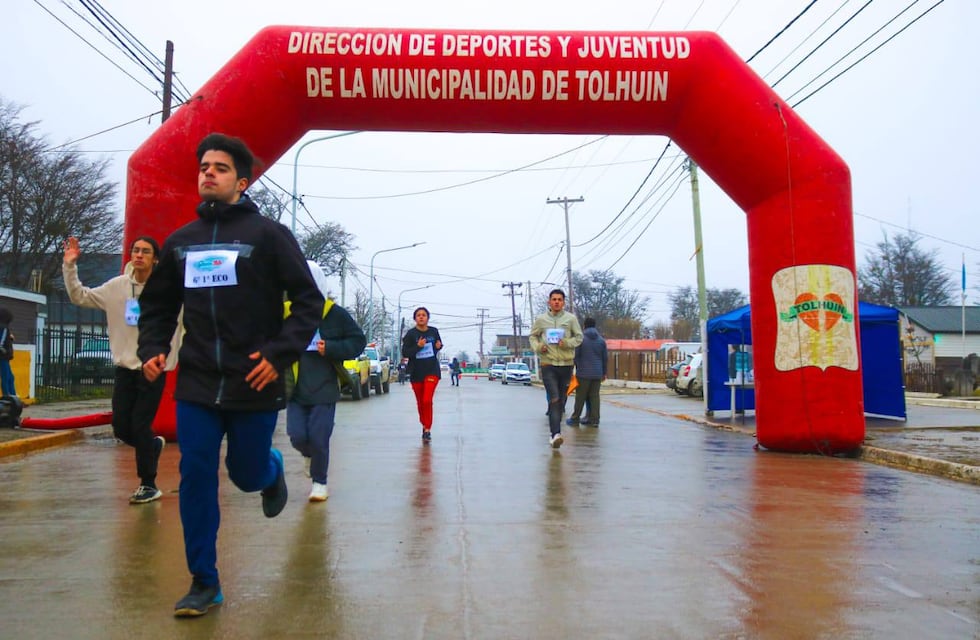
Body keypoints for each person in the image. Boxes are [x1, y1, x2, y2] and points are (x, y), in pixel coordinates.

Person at [137, 133, 323, 618]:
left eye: (219, 167)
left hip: (253, 380)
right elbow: (157, 307)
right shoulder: (181, 243)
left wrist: (279, 353)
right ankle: (204, 581)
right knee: (195, 475)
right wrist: (154, 348)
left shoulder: (268, 236)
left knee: (244, 474)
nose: (208, 173)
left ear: (241, 181)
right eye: (204, 166)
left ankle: (271, 470)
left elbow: (307, 303)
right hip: (198, 383)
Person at [63, 235, 179, 504]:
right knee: (120, 427)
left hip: (153, 368)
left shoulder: (167, 290)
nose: (138, 255)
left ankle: (148, 484)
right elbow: (80, 296)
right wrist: (70, 266)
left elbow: (189, 318)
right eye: (135, 250)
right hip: (125, 368)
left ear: (155, 259)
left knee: (140, 424)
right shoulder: (117, 287)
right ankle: (152, 445)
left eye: (145, 251)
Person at [286, 261, 365, 503]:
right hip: (295, 387)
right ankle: (310, 456)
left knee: (320, 437)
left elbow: (358, 341)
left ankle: (319, 483)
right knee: (297, 435)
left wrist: (331, 347)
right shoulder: (287, 312)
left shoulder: (334, 314)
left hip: (324, 387)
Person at [528, 289, 583, 449]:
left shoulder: (571, 319)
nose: (557, 302)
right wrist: (539, 347)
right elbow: (533, 336)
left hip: (566, 364)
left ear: (564, 302)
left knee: (561, 401)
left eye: (560, 299)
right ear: (549, 302)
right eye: (554, 299)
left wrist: (566, 343)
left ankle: (555, 433)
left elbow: (579, 337)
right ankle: (555, 434)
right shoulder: (541, 319)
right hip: (548, 364)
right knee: (554, 398)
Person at [401, 307, 442, 443]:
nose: (421, 317)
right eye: (418, 315)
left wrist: (438, 346)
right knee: (420, 402)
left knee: (427, 400)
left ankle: (427, 429)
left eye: (424, 315)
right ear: (415, 318)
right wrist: (418, 346)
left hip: (432, 371)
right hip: (416, 372)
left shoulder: (434, 331)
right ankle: (424, 424)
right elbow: (406, 353)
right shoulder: (411, 334)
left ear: (427, 318)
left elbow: (437, 346)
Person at [566, 317, 607, 427]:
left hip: (584, 373)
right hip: (597, 373)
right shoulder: (601, 340)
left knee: (580, 396)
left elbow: (576, 356)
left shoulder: (581, 339)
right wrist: (604, 373)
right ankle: (594, 420)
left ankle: (575, 418)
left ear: (584, 326)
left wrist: (576, 368)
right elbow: (605, 358)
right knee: (594, 397)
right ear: (594, 326)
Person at [0, 307, 15, 397]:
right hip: (3, 356)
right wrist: (3, 350)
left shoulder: (3, 328)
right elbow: (1, 341)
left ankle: (12, 396)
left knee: (10, 377)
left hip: (3, 357)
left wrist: (10, 338)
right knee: (6, 377)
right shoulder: (4, 328)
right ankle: (8, 397)